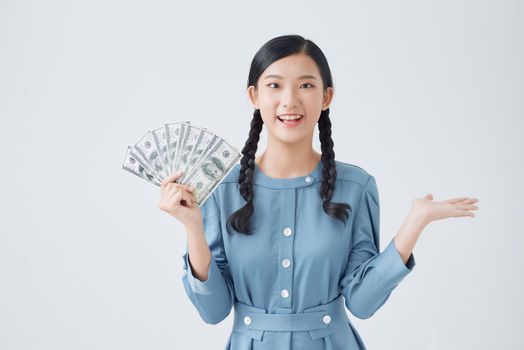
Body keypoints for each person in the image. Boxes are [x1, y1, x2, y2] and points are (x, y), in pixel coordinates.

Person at [158, 34, 479, 350]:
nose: (290, 100)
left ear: (326, 97)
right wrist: (192, 227)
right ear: (254, 96)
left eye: (306, 85)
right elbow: (213, 311)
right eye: (275, 85)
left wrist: (415, 222)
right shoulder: (222, 190)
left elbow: (362, 303)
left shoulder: (356, 187)